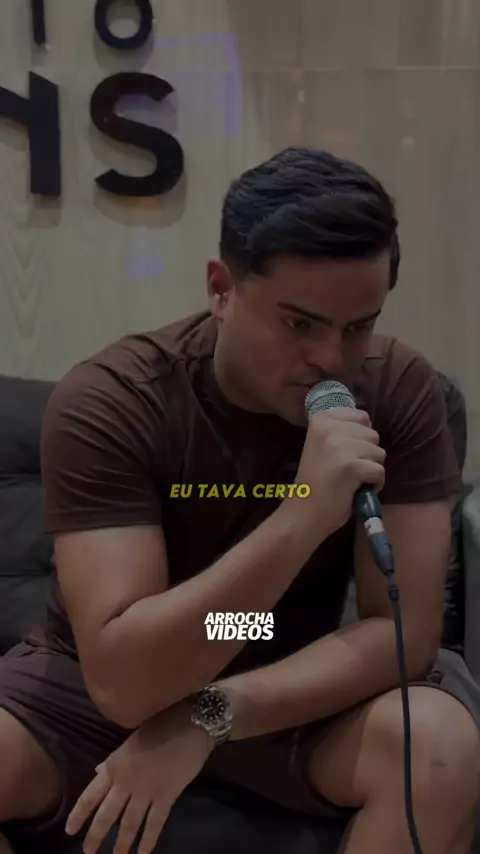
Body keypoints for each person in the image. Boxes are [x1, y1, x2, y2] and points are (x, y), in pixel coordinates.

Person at [0, 147, 479, 854]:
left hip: (288, 667)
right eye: (300, 324)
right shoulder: (115, 400)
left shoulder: (397, 390)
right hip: (98, 681)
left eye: (358, 327)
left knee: (438, 750)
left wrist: (209, 714)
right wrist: (302, 516)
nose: (332, 360)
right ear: (222, 289)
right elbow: (127, 683)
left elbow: (402, 632)